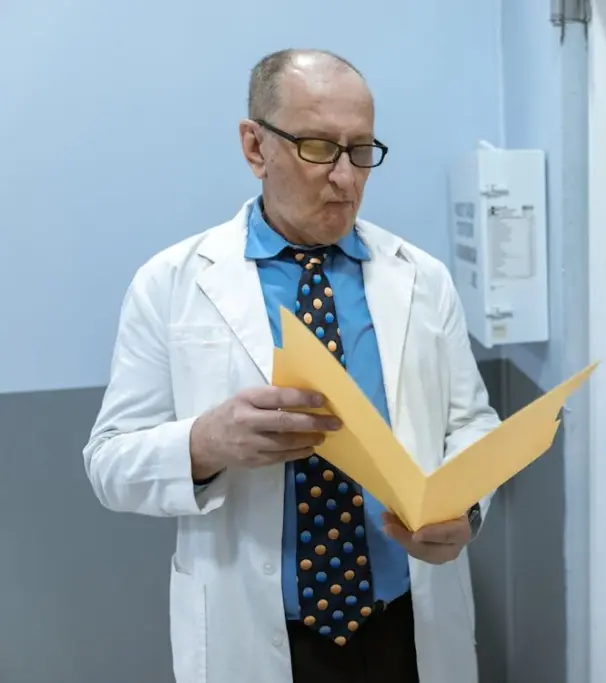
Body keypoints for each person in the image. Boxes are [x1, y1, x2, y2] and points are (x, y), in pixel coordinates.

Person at [82, 48, 501, 683]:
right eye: (317, 148)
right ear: (255, 147)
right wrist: (204, 442)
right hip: (255, 636)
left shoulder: (421, 278)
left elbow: (472, 423)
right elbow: (109, 463)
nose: (346, 178)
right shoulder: (170, 282)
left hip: (405, 626)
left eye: (361, 150)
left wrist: (464, 509)